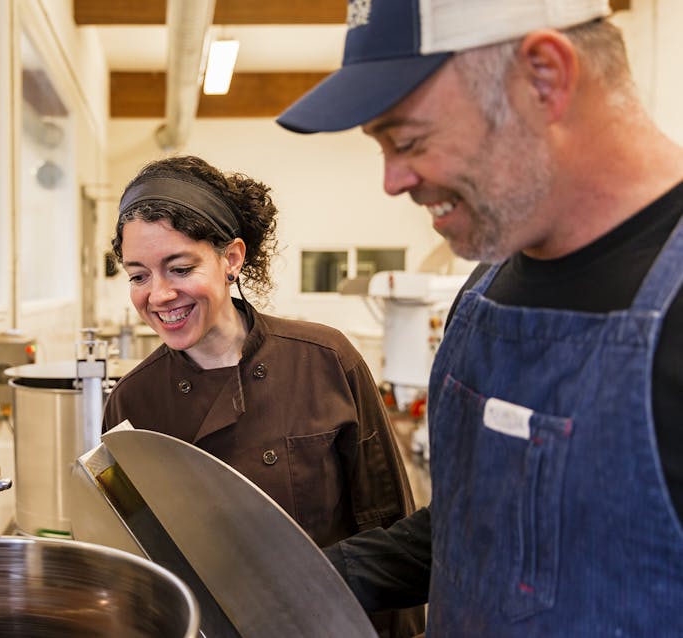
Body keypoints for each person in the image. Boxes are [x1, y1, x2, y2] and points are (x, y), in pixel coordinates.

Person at [276, 0, 683, 635]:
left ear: (544, 77)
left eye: (408, 140)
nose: (391, 180)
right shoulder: (486, 287)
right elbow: (477, 531)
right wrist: (290, 582)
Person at [103, 155, 424, 637]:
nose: (160, 294)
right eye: (138, 275)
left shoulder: (325, 361)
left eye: (180, 268)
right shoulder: (133, 401)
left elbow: (388, 526)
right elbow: (131, 558)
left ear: (231, 259)